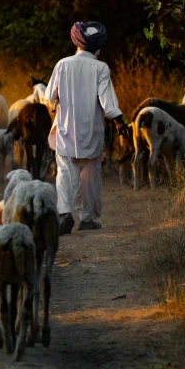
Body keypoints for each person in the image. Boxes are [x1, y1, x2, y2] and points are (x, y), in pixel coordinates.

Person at [43, 21, 129, 235]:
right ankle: (87, 219)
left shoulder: (62, 64)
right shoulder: (100, 67)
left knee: (64, 173)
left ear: (77, 41)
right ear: (97, 46)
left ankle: (64, 214)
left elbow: (49, 96)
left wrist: (56, 102)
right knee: (90, 176)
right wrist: (119, 121)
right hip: (91, 133)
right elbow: (108, 103)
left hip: (65, 131)